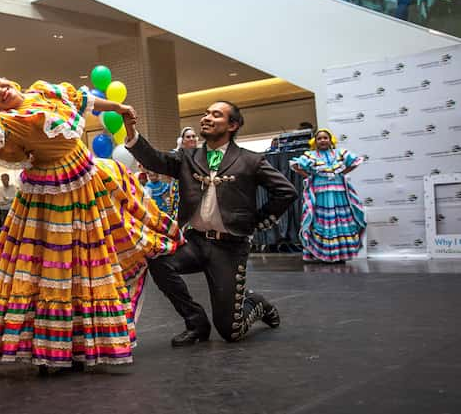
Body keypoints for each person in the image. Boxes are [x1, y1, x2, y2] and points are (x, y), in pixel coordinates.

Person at [0, 65, 182, 368]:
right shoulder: (9, 121)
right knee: (59, 271)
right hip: (51, 196)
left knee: (111, 252)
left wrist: (118, 106)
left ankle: (80, 337)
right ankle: (56, 344)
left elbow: (84, 101)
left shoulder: (45, 91)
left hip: (90, 178)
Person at [125, 100, 297, 345]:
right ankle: (196, 323)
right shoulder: (188, 157)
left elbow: (286, 192)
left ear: (233, 125)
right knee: (159, 262)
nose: (206, 118)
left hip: (229, 249)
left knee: (231, 332)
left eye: (216, 115)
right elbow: (155, 160)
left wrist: (256, 223)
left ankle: (256, 302)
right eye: (206, 113)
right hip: (194, 242)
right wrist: (131, 132)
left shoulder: (251, 160)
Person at [290, 129, 366, 263]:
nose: (323, 140)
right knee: (321, 221)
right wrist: (309, 176)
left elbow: (355, 161)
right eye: (319, 138)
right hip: (320, 194)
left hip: (339, 193)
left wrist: (342, 172)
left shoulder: (339, 153)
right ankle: (322, 254)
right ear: (315, 142)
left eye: (325, 138)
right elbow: (295, 165)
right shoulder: (311, 155)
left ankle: (340, 254)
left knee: (340, 221)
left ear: (331, 140)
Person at [170, 127, 198, 222]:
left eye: (193, 136)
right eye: (188, 137)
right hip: (181, 190)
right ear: (182, 140)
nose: (191, 139)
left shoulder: (201, 154)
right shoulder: (177, 154)